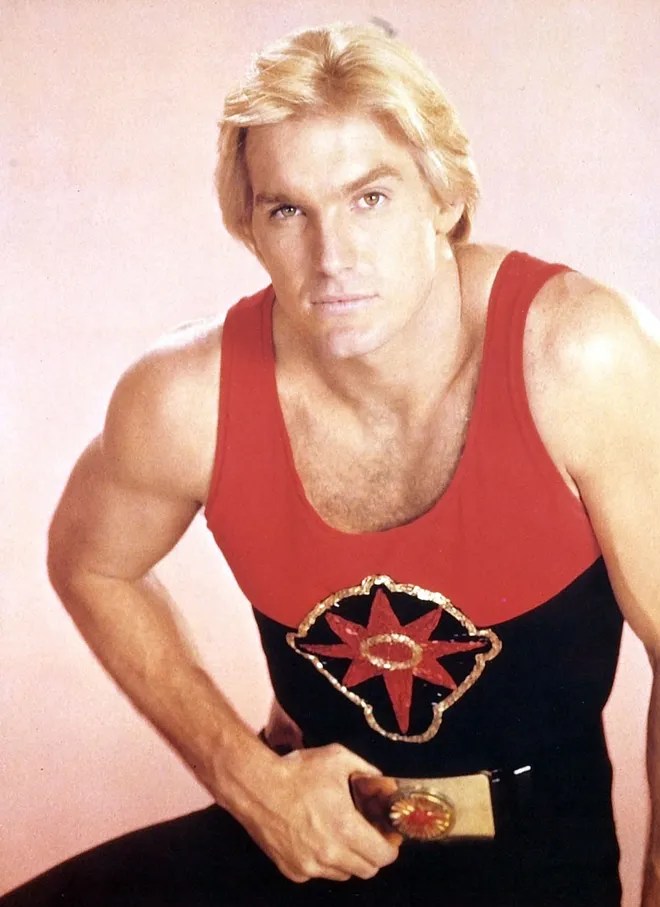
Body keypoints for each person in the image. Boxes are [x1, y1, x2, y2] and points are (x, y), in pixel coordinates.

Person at [4, 20, 659, 907]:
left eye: (370, 198)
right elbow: (89, 561)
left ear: (443, 197)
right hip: (305, 843)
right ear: (250, 227)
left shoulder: (577, 355)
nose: (333, 257)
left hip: (535, 856)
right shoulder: (187, 396)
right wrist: (250, 783)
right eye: (289, 211)